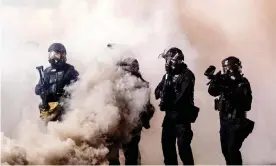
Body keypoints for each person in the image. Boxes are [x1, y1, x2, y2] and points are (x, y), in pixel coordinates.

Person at [107, 56, 155, 165]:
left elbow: (146, 107)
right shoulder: (119, 82)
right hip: (120, 125)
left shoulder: (140, 84)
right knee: (119, 156)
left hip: (130, 126)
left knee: (128, 156)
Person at [155, 47, 199, 165]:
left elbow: (181, 97)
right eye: (168, 61)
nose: (169, 63)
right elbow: (157, 92)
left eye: (172, 60)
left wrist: (167, 95)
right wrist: (165, 86)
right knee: (167, 149)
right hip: (169, 118)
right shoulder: (167, 75)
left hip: (182, 119)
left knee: (183, 149)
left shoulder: (187, 75)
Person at [207, 56, 254, 165]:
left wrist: (228, 90)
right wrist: (214, 81)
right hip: (224, 122)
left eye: (230, 68)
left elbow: (247, 105)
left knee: (233, 150)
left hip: (237, 121)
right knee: (225, 150)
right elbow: (212, 92)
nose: (227, 71)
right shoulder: (225, 81)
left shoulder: (242, 83)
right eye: (225, 69)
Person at [35, 43, 79, 123]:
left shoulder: (69, 70)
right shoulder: (46, 71)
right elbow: (37, 88)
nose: (52, 57)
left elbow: (79, 86)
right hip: (49, 106)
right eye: (51, 55)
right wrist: (40, 89)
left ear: (62, 55)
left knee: (64, 127)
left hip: (65, 105)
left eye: (55, 55)